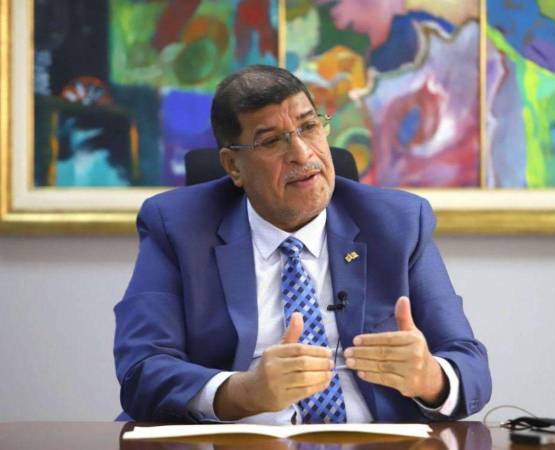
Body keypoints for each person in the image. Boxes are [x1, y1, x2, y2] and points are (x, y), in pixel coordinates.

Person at [114, 65, 491, 424]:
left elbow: (470, 364)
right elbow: (142, 370)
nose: (302, 153)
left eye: (309, 127)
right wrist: (243, 392)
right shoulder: (178, 227)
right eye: (271, 141)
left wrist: (430, 377)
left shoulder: (398, 222)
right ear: (233, 166)